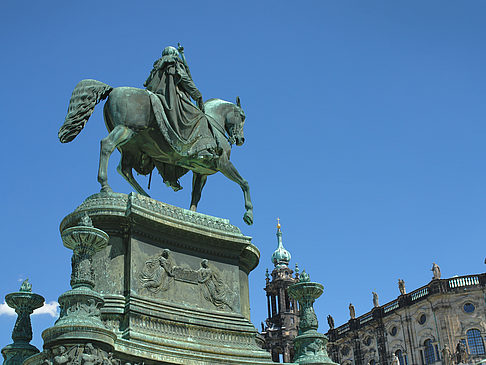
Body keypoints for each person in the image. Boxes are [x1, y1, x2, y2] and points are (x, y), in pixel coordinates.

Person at [144, 46, 220, 190]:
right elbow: (185, 80)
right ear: (174, 54)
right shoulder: (174, 63)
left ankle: (169, 176)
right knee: (200, 118)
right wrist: (198, 95)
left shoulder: (157, 66)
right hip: (173, 100)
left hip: (157, 97)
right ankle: (203, 151)